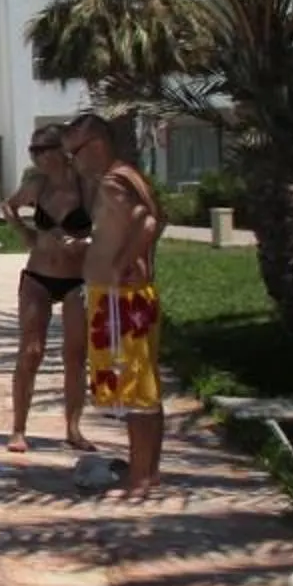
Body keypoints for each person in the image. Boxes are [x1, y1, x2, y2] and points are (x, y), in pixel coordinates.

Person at [63, 112, 167, 498]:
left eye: (75, 152)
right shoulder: (125, 176)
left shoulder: (113, 180)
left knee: (136, 390)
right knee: (137, 387)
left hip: (122, 298)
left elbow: (148, 222)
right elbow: (149, 218)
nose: (74, 161)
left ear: (97, 145)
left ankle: (141, 476)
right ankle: (145, 471)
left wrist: (122, 264)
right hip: (121, 296)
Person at [4, 130, 96, 456]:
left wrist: (85, 242)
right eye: (34, 150)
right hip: (38, 278)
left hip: (76, 279)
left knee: (75, 356)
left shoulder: (86, 186)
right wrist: (26, 233)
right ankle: (18, 429)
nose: (40, 155)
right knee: (31, 351)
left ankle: (73, 429)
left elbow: (108, 228)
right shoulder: (36, 186)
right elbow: (9, 206)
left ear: (64, 149)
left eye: (46, 149)